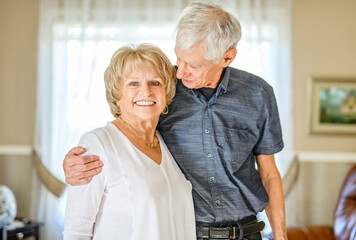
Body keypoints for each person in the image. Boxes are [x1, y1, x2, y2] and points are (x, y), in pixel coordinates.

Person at [63, 3, 287, 240]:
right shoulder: (161, 83)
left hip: (247, 232)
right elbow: (125, 126)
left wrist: (281, 236)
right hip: (190, 232)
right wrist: (78, 162)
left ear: (227, 57)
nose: (180, 73)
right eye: (179, 58)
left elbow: (269, 174)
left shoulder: (258, 94)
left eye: (193, 64)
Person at [62, 43, 196, 239]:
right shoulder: (98, 143)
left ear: (166, 93)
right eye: (134, 83)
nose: (147, 92)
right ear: (117, 95)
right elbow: (76, 231)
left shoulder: (165, 143)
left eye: (155, 82)